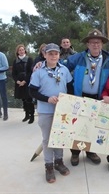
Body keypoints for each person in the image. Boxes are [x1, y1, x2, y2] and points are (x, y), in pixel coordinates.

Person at [64, 29, 109, 166]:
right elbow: (61, 65)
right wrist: (40, 63)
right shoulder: (79, 57)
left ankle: (90, 151)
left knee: (92, 126)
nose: (95, 45)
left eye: (98, 42)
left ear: (102, 44)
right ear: (88, 44)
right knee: (77, 126)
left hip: (97, 98)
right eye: (92, 42)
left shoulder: (108, 59)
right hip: (80, 96)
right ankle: (75, 153)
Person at [29, 43, 73, 183]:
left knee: (59, 137)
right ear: (44, 55)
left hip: (62, 111)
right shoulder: (38, 71)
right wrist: (47, 99)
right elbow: (32, 91)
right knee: (47, 139)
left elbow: (70, 87)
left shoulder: (64, 70)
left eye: (56, 53)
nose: (53, 56)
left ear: (59, 55)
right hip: (45, 110)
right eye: (50, 53)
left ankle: (59, 162)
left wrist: (68, 101)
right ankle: (48, 166)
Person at [12, 44, 34, 124]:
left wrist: (25, 81)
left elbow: (31, 71)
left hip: (27, 81)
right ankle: (26, 114)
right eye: (19, 50)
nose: (21, 51)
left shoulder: (29, 59)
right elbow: (14, 73)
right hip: (19, 82)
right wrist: (17, 81)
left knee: (29, 99)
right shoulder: (15, 61)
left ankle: (32, 116)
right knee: (23, 99)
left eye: (22, 50)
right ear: (17, 52)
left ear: (25, 50)